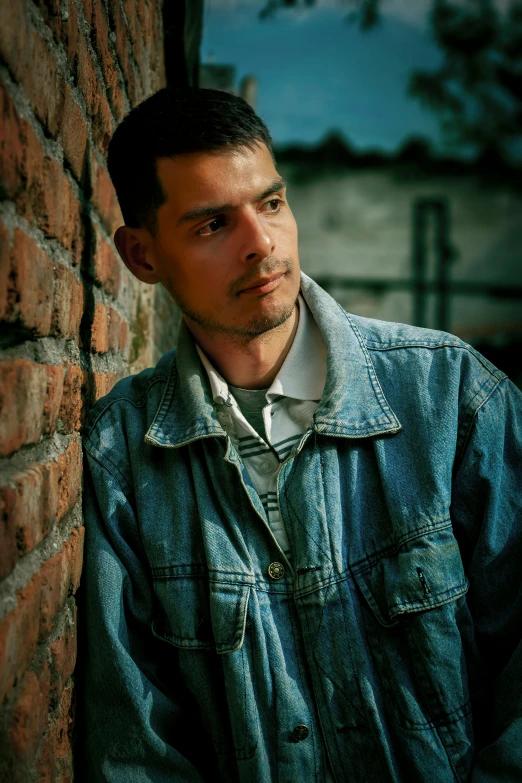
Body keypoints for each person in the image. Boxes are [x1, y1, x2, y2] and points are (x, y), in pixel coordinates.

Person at [82, 87, 522, 783]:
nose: (262, 244)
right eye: (211, 225)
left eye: (272, 203)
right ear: (142, 255)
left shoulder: (452, 395)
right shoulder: (122, 455)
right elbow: (136, 750)